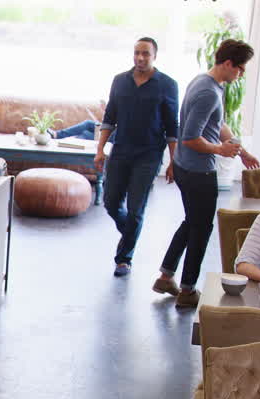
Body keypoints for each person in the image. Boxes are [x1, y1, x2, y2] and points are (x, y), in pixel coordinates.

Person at [155, 38, 260, 308]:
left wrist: (240, 149)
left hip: (186, 166)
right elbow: (189, 137)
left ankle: (166, 276)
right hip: (197, 171)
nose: (242, 73)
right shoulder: (208, 92)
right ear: (227, 64)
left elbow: (219, 122)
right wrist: (220, 150)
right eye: (240, 68)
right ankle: (188, 291)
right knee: (201, 229)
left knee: (192, 222)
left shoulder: (207, 83)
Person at [95, 36, 180, 277]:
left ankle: (124, 259)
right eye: (137, 53)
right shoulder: (120, 81)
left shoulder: (167, 85)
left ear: (155, 56)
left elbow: (172, 126)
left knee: (135, 209)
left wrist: (174, 162)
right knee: (111, 202)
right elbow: (110, 117)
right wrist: (100, 150)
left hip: (149, 155)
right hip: (120, 151)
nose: (140, 58)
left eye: (146, 54)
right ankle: (130, 232)